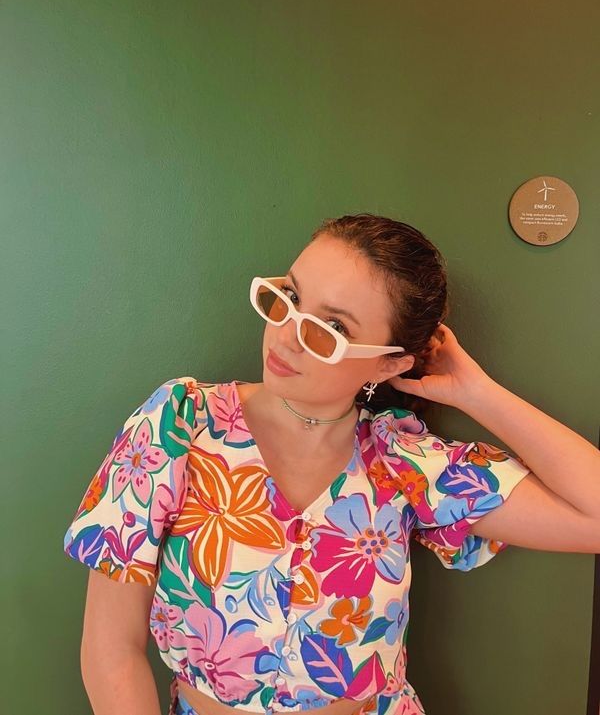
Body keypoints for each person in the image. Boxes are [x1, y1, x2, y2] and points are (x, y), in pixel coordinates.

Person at [63, 213, 600, 715]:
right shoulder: (180, 425)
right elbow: (111, 646)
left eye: (333, 328)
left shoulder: (402, 460)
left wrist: (477, 393)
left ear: (389, 362)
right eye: (290, 297)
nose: (288, 335)